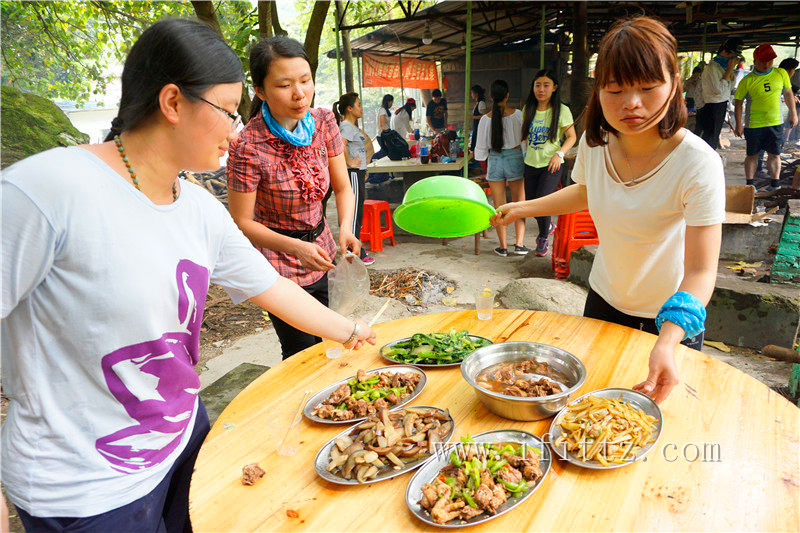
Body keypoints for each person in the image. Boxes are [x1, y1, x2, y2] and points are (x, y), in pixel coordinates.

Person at [1, 19, 375, 532]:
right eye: (227, 111)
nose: (237, 130)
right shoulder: (44, 192)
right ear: (173, 103)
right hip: (86, 490)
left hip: (185, 446)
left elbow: (274, 288)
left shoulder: (197, 206)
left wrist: (358, 334)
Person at [491, 16, 725, 405]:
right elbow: (586, 192)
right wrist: (522, 208)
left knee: (651, 421)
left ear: (675, 83)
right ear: (598, 91)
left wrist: (668, 341)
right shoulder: (595, 144)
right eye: (615, 90)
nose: (631, 104)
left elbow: (702, 271)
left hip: (671, 319)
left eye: (649, 87)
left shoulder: (697, 163)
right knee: (592, 406)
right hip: (602, 299)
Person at [227, 35, 366, 359]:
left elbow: (343, 187)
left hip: (325, 252)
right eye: (285, 84)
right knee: (302, 352)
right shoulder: (247, 145)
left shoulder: (324, 122)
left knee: (333, 341)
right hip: (281, 264)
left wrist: (346, 228)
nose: (299, 93)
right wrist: (296, 247)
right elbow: (242, 222)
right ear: (260, 91)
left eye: (305, 80)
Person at [520, 69, 577, 256]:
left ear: (554, 88)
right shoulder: (527, 110)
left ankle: (543, 237)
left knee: (543, 201)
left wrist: (559, 154)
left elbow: (571, 137)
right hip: (530, 164)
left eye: (546, 85)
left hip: (552, 164)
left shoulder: (562, 110)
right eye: (537, 85)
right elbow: (527, 138)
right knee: (532, 204)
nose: (541, 89)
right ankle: (549, 225)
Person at [475, 79, 528, 256]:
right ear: (507, 95)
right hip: (515, 158)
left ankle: (503, 247)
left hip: (495, 160)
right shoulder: (518, 115)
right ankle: (519, 244)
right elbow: (524, 142)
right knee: (519, 204)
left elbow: (481, 150)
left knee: (499, 207)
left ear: (491, 96)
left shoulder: (484, 119)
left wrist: (485, 162)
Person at [734, 44, 798, 190]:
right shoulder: (747, 80)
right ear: (755, 61)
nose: (766, 64)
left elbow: (788, 94)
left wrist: (793, 113)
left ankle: (775, 185)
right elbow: (738, 104)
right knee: (752, 155)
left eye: (769, 61)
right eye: (762, 61)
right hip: (753, 124)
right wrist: (738, 125)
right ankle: (750, 185)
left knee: (775, 155)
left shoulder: (781, 73)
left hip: (775, 123)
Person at [333, 92, 374, 264]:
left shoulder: (350, 126)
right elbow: (340, 145)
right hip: (353, 174)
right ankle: (353, 250)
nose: (361, 108)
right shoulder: (346, 127)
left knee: (356, 211)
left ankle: (352, 247)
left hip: (357, 173)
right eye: (358, 104)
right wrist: (350, 163)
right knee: (354, 213)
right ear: (349, 108)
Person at [698, 36, 743, 149]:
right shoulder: (712, 67)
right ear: (724, 52)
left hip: (720, 105)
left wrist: (730, 71)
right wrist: (729, 70)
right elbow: (718, 90)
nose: (732, 59)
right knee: (708, 137)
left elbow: (729, 87)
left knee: (714, 136)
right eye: (731, 56)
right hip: (711, 106)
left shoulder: (723, 67)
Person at [778, 58, 800, 147]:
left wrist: (792, 95)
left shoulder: (785, 80)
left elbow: (794, 89)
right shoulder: (779, 79)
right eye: (793, 70)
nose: (794, 73)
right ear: (789, 70)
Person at [373, 93, 394, 160]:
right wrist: (386, 138)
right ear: (388, 101)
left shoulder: (384, 110)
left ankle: (373, 161)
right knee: (385, 152)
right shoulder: (382, 111)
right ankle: (372, 160)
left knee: (386, 152)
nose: (392, 104)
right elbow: (382, 126)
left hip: (384, 135)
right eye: (391, 102)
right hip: (382, 136)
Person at [469, 84, 487, 156]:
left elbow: (484, 116)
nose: (471, 94)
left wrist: (473, 117)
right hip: (476, 128)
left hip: (479, 128)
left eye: (472, 93)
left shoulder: (481, 103)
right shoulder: (477, 103)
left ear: (476, 94)